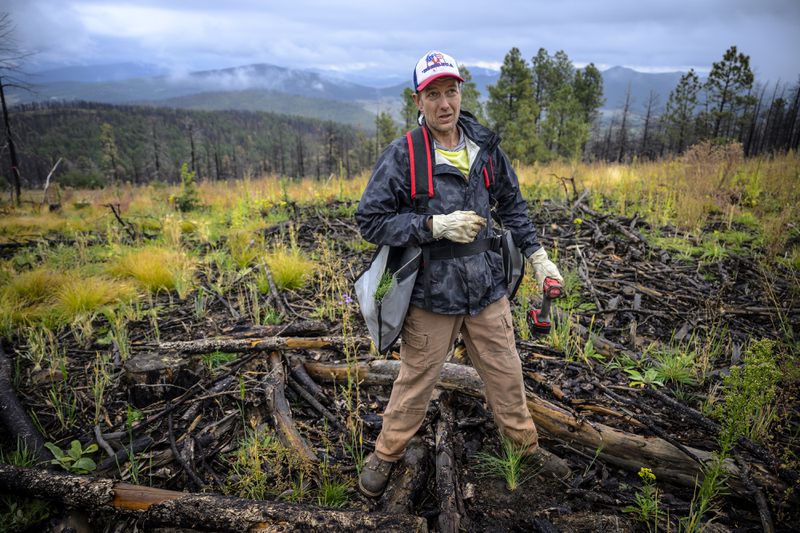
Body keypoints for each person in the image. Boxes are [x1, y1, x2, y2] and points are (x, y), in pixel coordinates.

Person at [355, 50, 570, 498]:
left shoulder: (485, 148)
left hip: (487, 285)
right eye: (433, 94)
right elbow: (370, 221)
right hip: (431, 293)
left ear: (461, 92)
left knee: (505, 370)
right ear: (419, 100)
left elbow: (512, 205)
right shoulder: (404, 156)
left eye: (450, 91)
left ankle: (525, 448)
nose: (444, 104)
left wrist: (538, 256)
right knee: (416, 379)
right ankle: (386, 454)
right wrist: (432, 226)